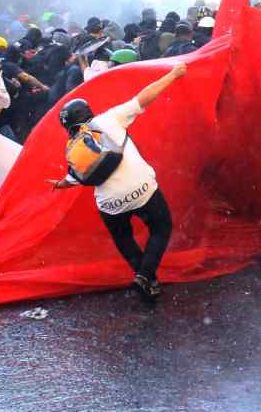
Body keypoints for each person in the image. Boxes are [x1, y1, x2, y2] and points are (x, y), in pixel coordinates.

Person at [51, 64, 187, 304]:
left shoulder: (73, 146)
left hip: (110, 202)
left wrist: (59, 184)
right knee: (161, 227)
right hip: (142, 188)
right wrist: (174, 75)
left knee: (123, 238)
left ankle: (147, 279)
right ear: (88, 113)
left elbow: (74, 178)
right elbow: (144, 97)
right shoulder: (109, 119)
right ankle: (144, 275)